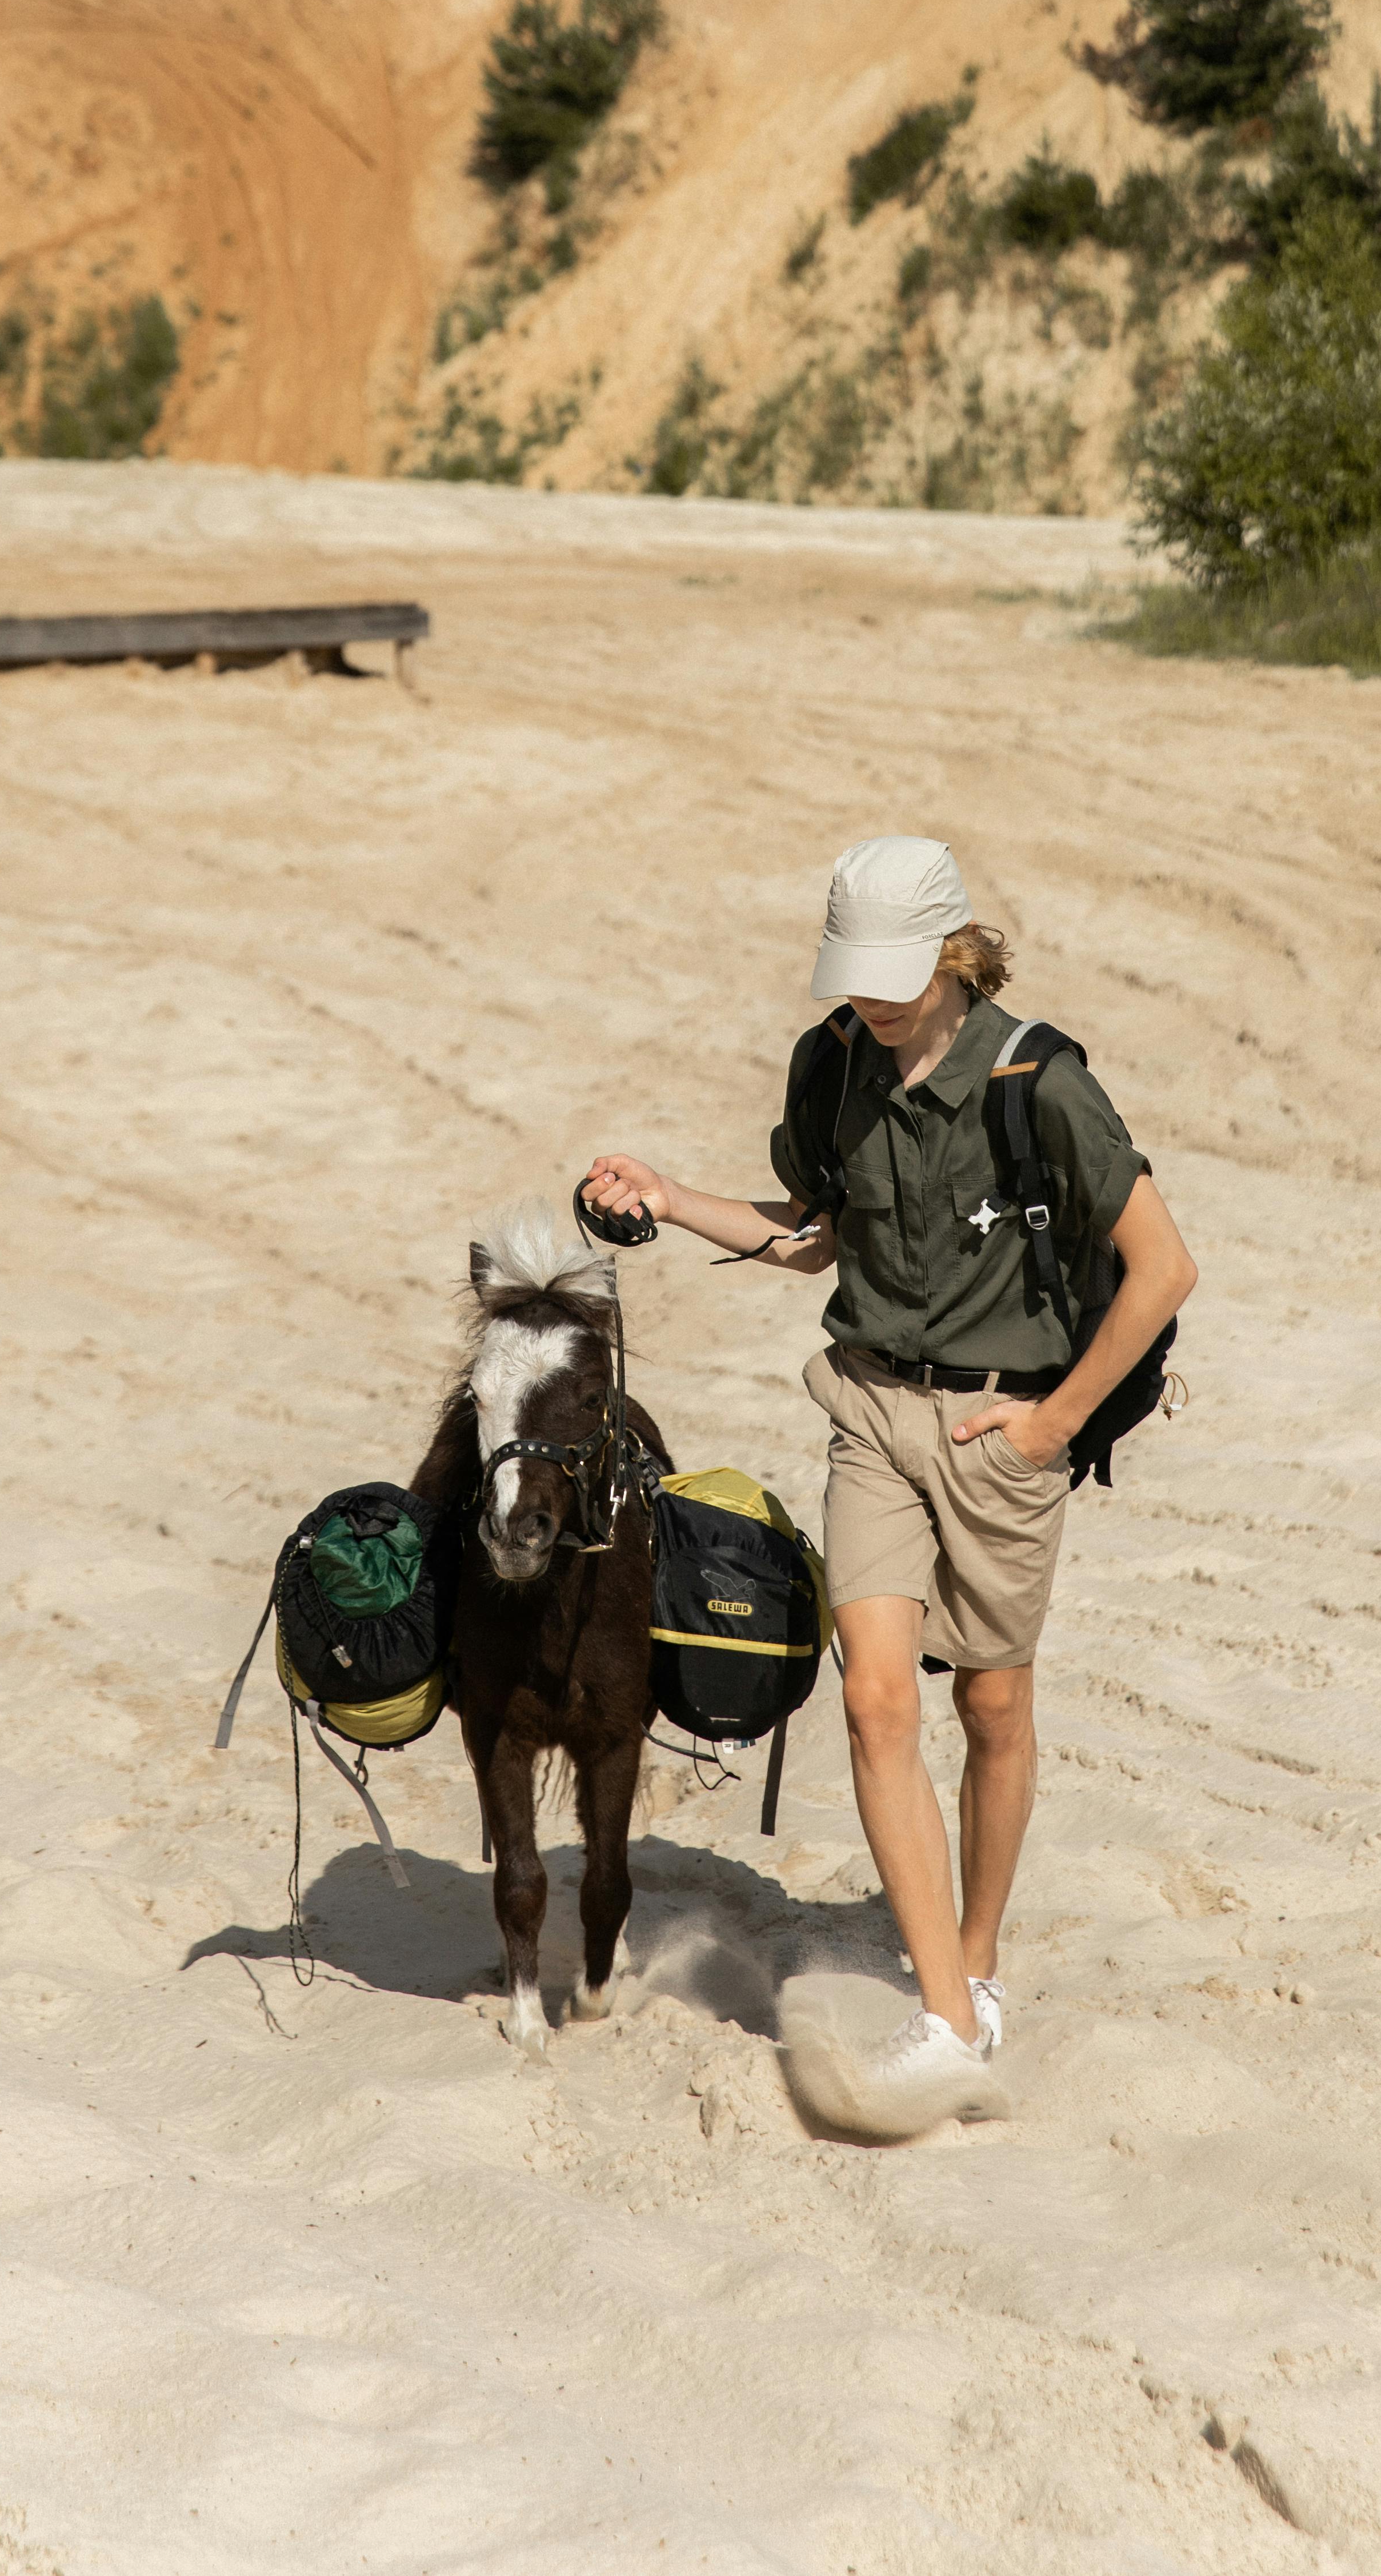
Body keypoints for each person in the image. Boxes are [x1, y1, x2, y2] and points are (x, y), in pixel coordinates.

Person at [584, 832, 1197, 2132]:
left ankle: (977, 1960)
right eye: (849, 974)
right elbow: (810, 1239)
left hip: (1001, 1432)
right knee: (872, 1703)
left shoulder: (1042, 1083)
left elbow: (1163, 1270)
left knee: (990, 1707)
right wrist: (668, 1193)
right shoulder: (833, 1067)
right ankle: (948, 2015)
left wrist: (1051, 1426)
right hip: (865, 1406)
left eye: (888, 975)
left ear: (954, 954)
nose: (862, 998)